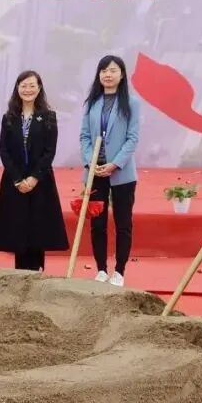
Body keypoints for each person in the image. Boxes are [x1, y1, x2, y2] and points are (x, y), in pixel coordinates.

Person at [0, 71, 69, 270]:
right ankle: (20, 273)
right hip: (15, 181)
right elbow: (4, 150)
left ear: (39, 88)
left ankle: (37, 271)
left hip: (40, 181)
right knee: (18, 226)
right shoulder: (9, 117)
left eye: (32, 85)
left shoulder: (48, 117)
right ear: (17, 88)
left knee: (38, 227)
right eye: (23, 86)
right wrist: (17, 178)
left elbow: (49, 151)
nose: (28, 90)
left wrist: (34, 178)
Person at [79, 54, 141, 286]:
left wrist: (115, 164)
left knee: (123, 223)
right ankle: (101, 270)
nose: (108, 74)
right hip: (95, 172)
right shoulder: (91, 103)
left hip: (121, 173)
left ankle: (119, 271)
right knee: (97, 224)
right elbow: (85, 137)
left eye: (113, 70)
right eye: (104, 70)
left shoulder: (131, 103)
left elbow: (132, 138)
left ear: (122, 75)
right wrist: (91, 162)